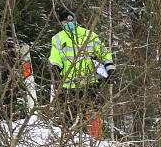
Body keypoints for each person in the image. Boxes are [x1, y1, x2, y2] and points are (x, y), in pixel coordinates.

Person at [49, 8, 114, 138]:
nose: (68, 24)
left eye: (70, 20)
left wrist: (109, 68)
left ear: (75, 20)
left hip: (90, 84)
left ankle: (96, 142)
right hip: (69, 86)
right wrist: (55, 68)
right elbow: (55, 57)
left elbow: (104, 52)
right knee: (70, 118)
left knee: (93, 115)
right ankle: (71, 143)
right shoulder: (57, 38)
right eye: (65, 22)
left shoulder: (89, 35)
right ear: (61, 23)